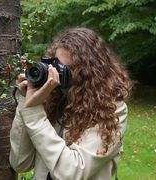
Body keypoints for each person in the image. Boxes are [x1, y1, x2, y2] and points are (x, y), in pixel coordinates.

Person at [9, 27, 131, 180]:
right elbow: (20, 162)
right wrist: (25, 99)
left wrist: (34, 114)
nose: (58, 75)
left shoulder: (112, 109)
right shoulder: (54, 97)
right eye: (56, 65)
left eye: (67, 69)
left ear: (89, 74)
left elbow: (72, 173)